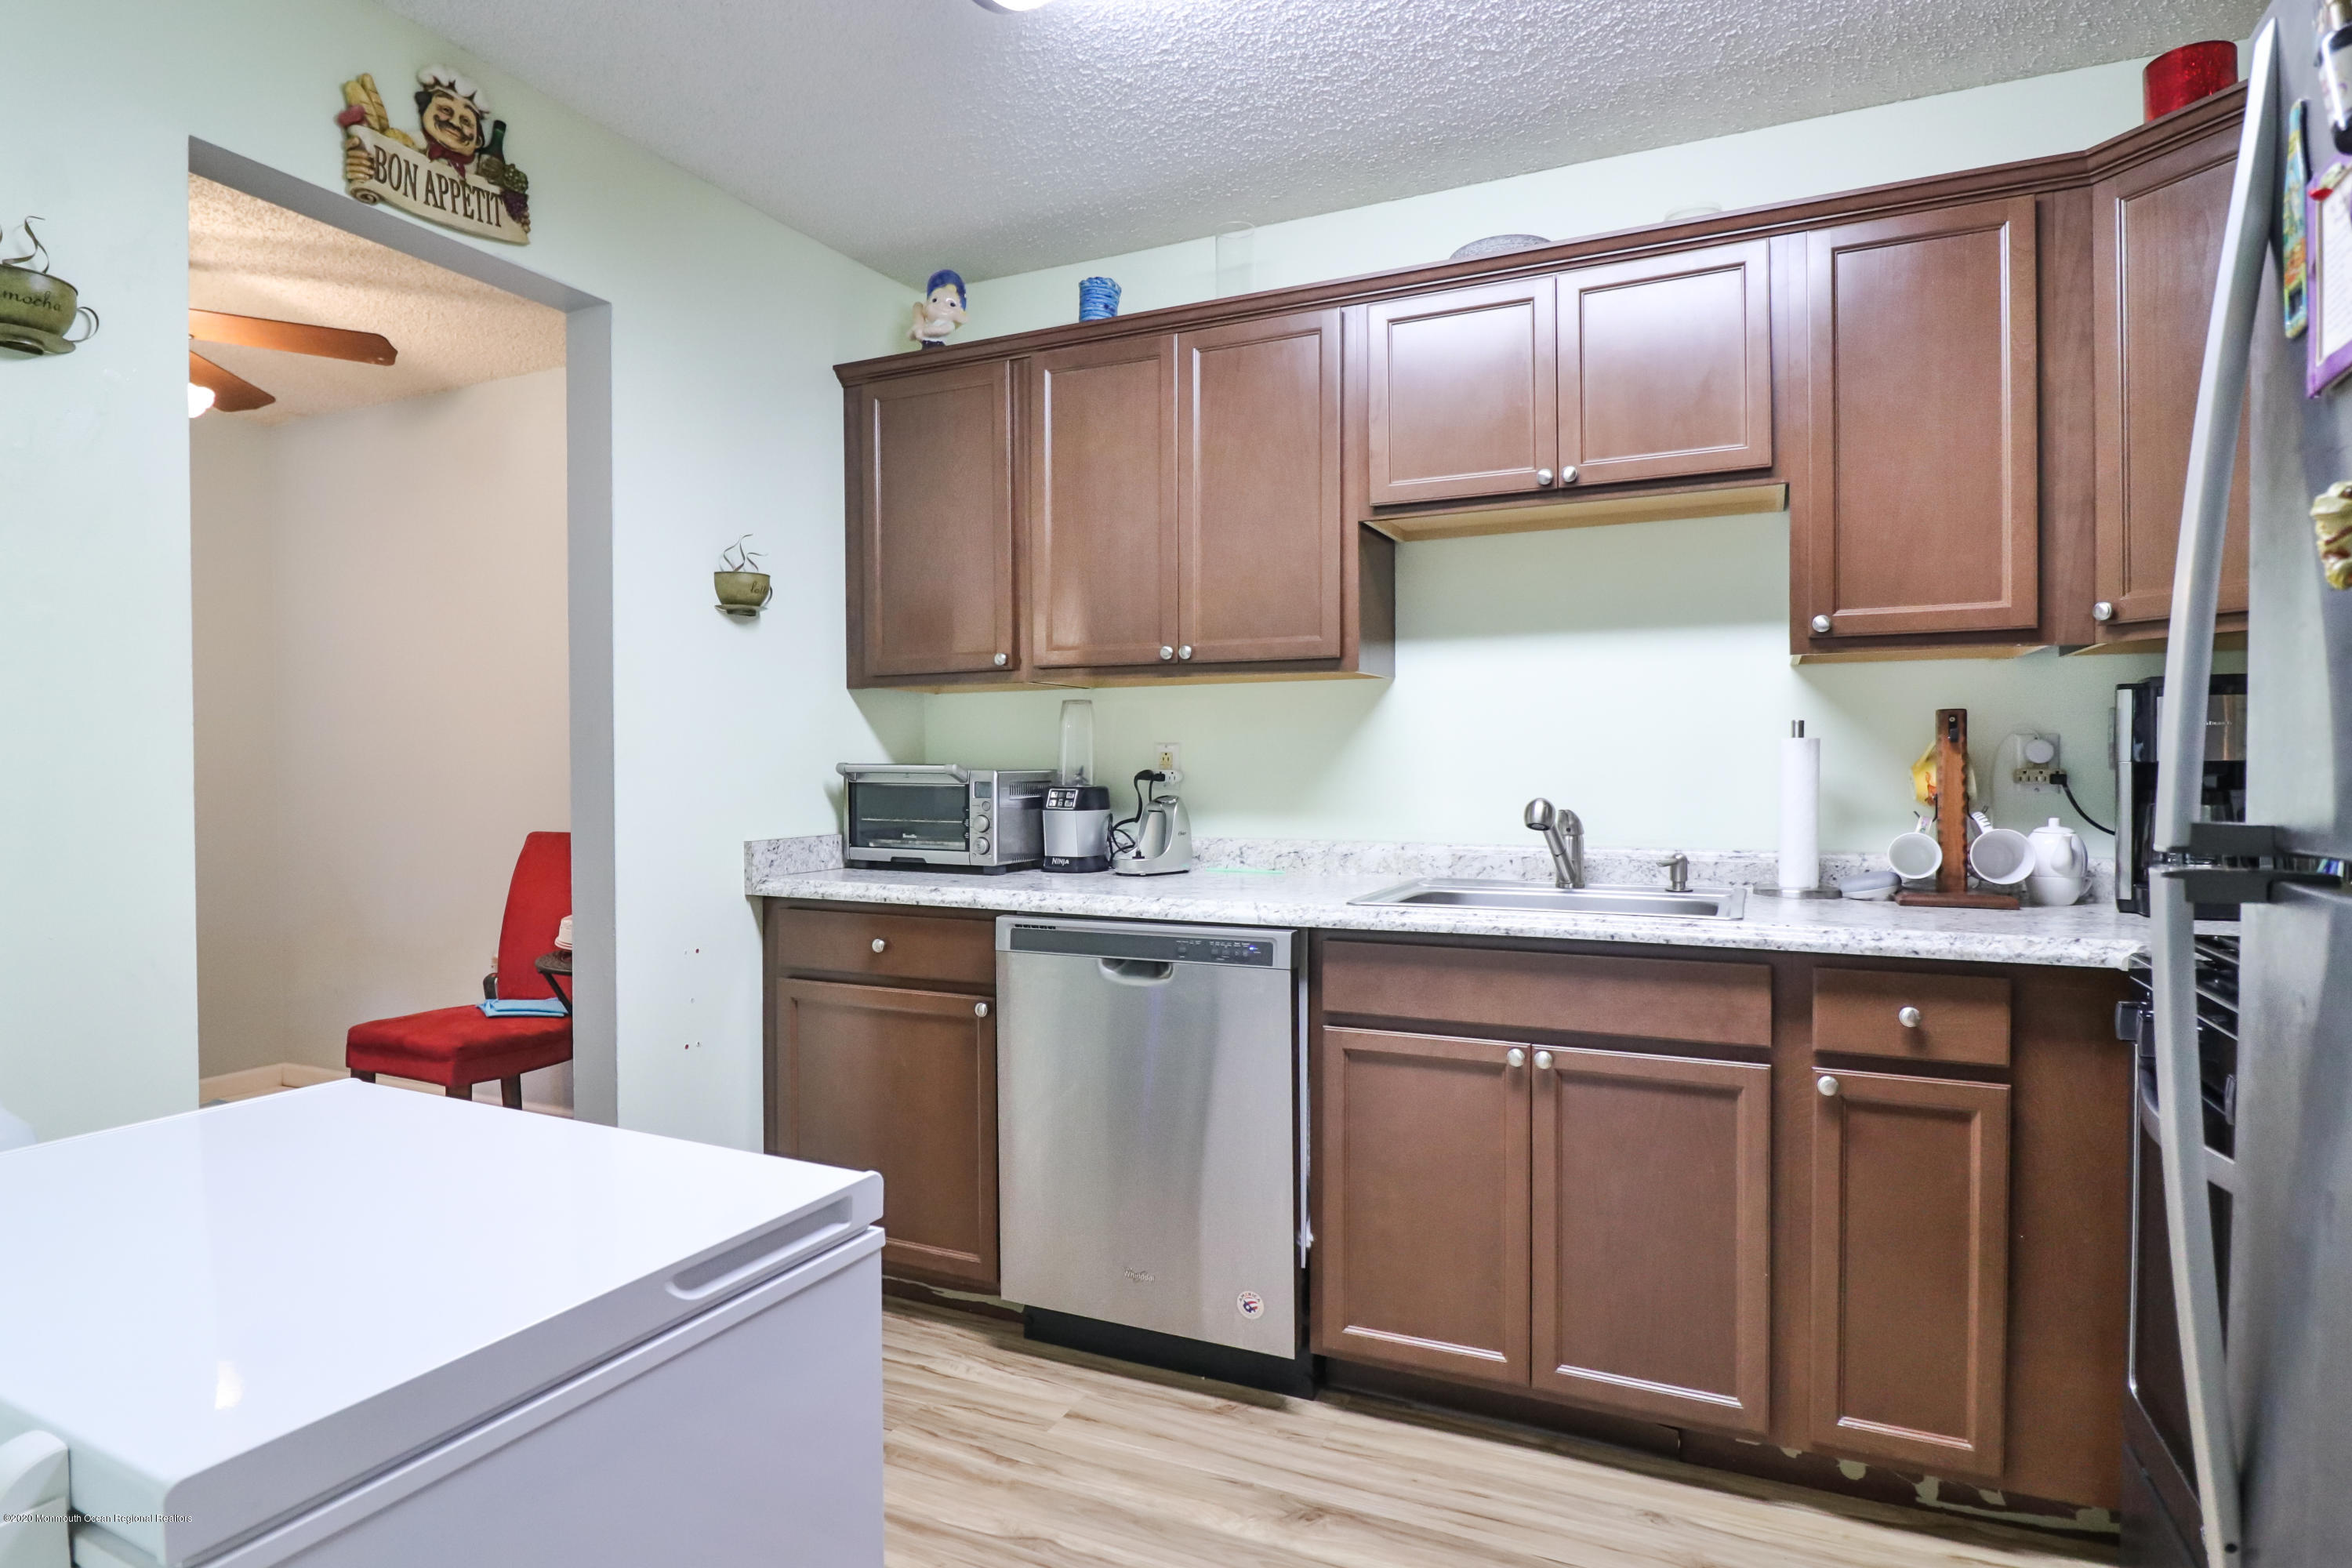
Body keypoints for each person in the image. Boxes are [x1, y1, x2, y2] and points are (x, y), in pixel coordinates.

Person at [911, 270, 968, 348]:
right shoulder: (925, 323)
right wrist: (915, 330)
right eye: (935, 300)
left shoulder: (950, 324)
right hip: (925, 345)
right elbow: (912, 335)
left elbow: (942, 330)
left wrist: (928, 330)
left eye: (951, 304)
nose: (941, 304)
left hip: (938, 346)